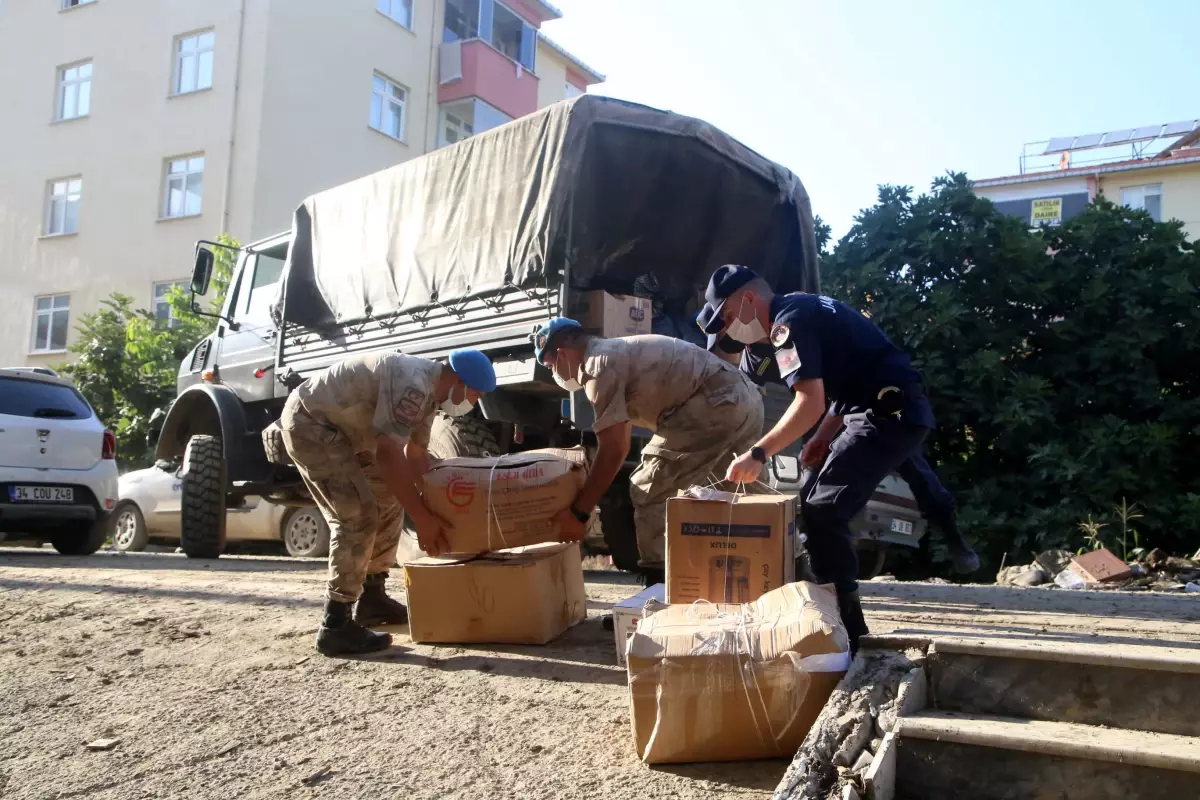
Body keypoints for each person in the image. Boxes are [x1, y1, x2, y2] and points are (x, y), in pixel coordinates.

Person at [696, 264, 976, 652]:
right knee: (837, 484)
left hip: (889, 411)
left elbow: (810, 402)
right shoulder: (792, 315)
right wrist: (823, 438)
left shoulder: (787, 322)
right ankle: (952, 548)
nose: (729, 329)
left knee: (821, 508)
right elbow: (841, 384)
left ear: (748, 299)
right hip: (877, 406)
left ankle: (850, 631)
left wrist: (759, 453)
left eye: (727, 317)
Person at [279, 349, 496, 656]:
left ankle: (372, 595)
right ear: (458, 381)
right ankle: (335, 623)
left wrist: (440, 512)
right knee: (358, 513)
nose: (472, 403)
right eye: (474, 395)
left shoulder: (431, 397)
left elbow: (416, 457)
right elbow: (388, 454)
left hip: (345, 433)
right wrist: (422, 518)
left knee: (388, 496)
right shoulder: (414, 384)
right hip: (311, 425)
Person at [533, 317, 764, 584]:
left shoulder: (598, 366)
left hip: (714, 403)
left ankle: (657, 592)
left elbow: (614, 450)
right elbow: (621, 437)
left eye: (551, 366)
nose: (554, 373)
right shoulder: (617, 353)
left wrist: (579, 512)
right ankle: (788, 572)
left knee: (648, 487)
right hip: (745, 398)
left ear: (562, 355)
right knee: (746, 492)